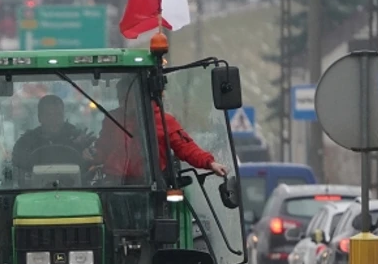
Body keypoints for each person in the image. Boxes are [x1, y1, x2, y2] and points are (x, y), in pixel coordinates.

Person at [85, 75, 228, 184]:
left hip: (150, 185)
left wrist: (210, 163)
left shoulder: (163, 121)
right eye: (120, 98)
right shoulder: (113, 119)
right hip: (115, 183)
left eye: (127, 98)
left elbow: (185, 147)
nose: (123, 102)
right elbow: (103, 148)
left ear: (140, 97)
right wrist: (91, 156)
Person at [11, 94, 92, 172]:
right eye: (49, 115)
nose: (54, 120)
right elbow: (18, 170)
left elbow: (90, 171)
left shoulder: (78, 138)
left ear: (63, 116)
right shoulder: (26, 143)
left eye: (58, 115)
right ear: (40, 117)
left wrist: (85, 150)